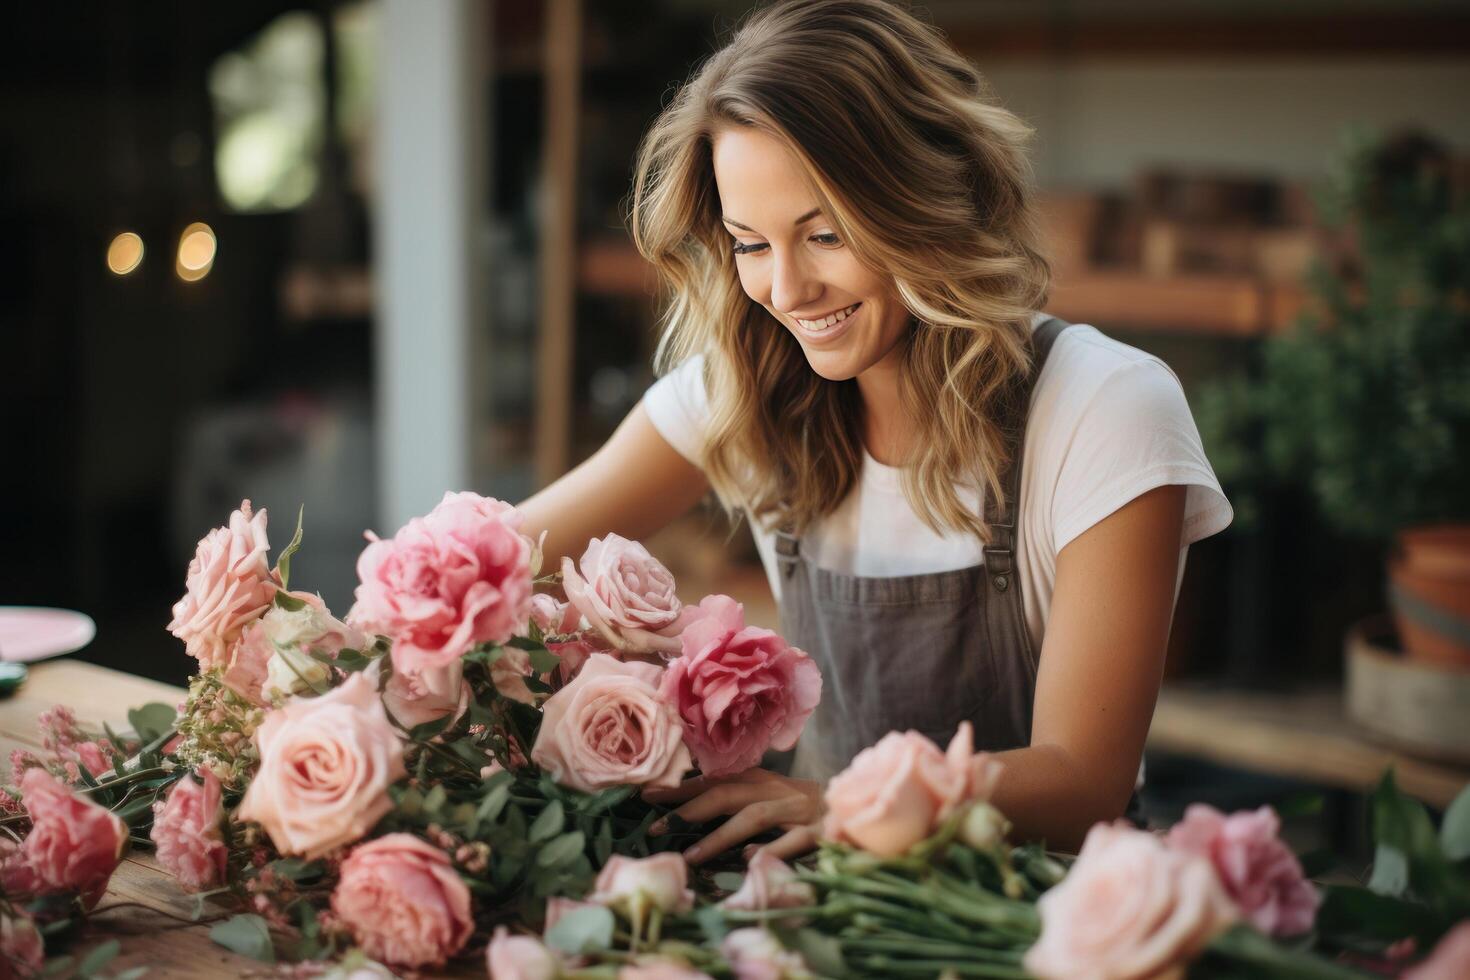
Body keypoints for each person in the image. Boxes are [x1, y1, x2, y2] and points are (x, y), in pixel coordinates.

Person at [517, 0, 1231, 860]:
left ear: (925, 201)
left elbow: (1085, 782)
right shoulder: (748, 390)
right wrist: (330, 663)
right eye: (749, 244)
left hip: (1041, 923)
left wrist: (839, 807)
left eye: (823, 235)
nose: (786, 290)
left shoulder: (1104, 407)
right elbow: (502, 559)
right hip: (826, 914)